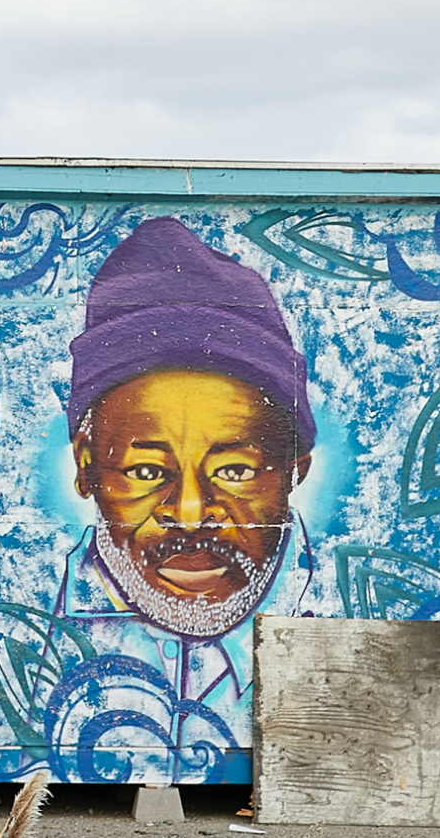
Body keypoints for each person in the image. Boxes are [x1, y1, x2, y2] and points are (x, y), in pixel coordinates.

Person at [44, 216, 317, 783]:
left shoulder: (335, 607)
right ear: (87, 467)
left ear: (294, 471)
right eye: (146, 471)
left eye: (235, 471)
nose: (191, 512)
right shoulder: (42, 633)